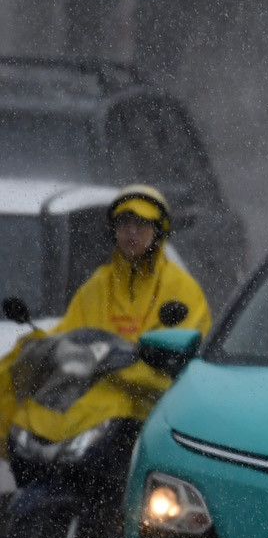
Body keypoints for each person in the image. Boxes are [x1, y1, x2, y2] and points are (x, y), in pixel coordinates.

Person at [2, 185, 213, 448]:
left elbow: (186, 359)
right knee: (30, 416)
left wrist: (131, 368)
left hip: (151, 410)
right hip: (93, 401)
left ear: (159, 231)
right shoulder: (98, 285)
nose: (131, 232)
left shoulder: (182, 290)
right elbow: (69, 333)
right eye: (124, 223)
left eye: (141, 224)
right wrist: (40, 344)